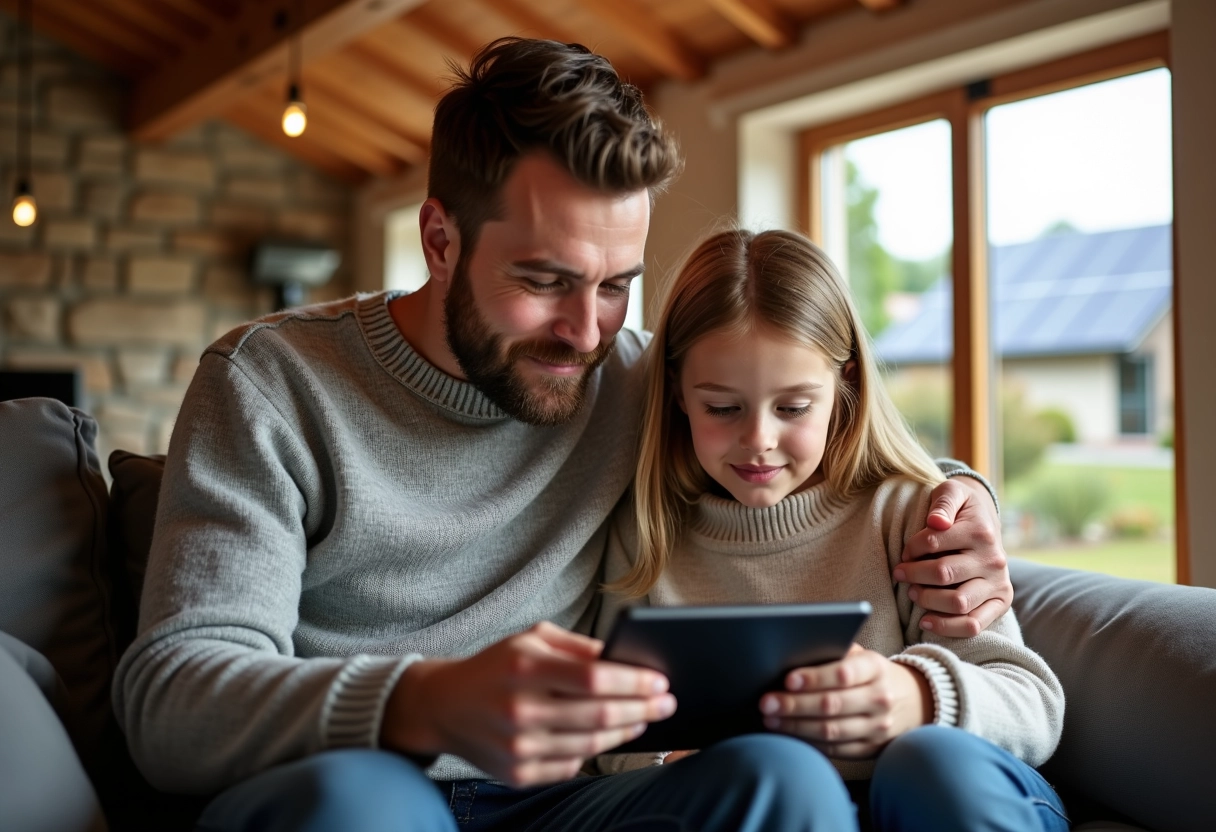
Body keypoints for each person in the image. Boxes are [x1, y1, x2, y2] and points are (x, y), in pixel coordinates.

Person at [114, 39, 1015, 831]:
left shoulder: (629, 375)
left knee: (776, 778)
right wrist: (422, 701)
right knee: (368, 810)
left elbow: (791, 416)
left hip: (562, 801)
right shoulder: (271, 382)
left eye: (617, 284)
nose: (586, 332)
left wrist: (960, 495)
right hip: (354, 785)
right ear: (439, 239)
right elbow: (172, 701)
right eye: (544, 280)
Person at [595, 228, 1068, 831]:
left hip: (949, 796)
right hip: (771, 807)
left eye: (793, 408)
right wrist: (672, 762)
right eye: (722, 407)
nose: (759, 439)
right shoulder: (648, 531)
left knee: (930, 761)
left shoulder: (908, 516)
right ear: (679, 392)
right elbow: (611, 729)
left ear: (843, 384)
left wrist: (916, 697)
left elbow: (1032, 705)